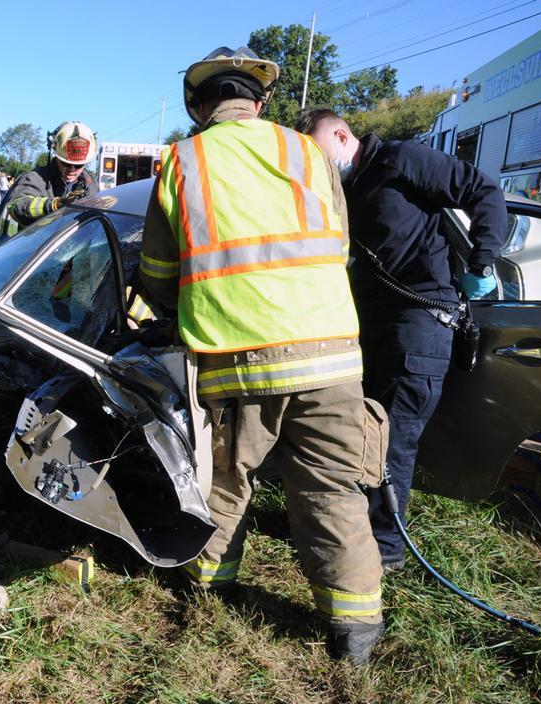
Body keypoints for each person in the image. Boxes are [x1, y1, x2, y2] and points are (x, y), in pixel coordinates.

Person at [140, 46, 388, 663]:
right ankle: (355, 629)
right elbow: (339, 242)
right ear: (259, 101)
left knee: (225, 479)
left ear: (199, 107)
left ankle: (208, 588)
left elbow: (158, 272)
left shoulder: (180, 161)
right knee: (333, 487)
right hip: (331, 354)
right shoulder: (308, 151)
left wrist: (178, 305)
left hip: (235, 355)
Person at [296, 108, 506, 571]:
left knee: (394, 438)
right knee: (359, 431)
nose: (316, 163)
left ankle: (385, 548)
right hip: (368, 322)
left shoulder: (402, 160)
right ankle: (355, 530)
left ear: (342, 135)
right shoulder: (338, 189)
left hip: (421, 318)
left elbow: (483, 191)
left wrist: (482, 261)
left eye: (317, 150)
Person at [6, 121, 98, 228]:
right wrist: (53, 205)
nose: (72, 170)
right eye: (66, 163)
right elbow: (16, 206)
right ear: (56, 156)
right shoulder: (34, 178)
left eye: (78, 165)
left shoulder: (91, 185)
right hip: (40, 243)